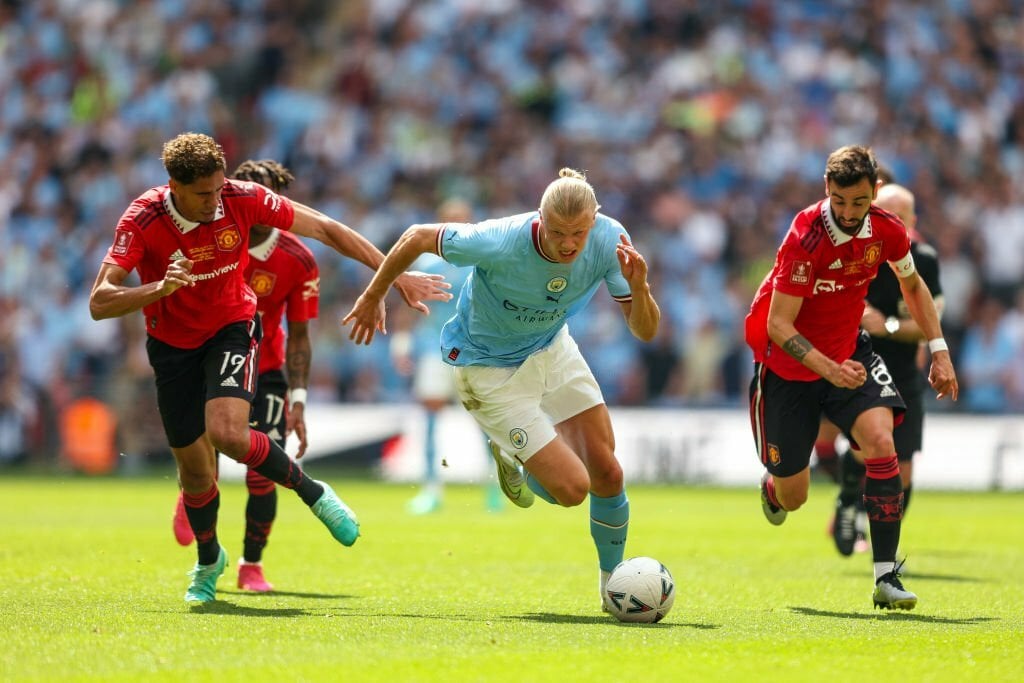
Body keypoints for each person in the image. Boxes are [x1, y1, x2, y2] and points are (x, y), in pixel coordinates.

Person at [89, 133, 449, 604]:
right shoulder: (143, 218)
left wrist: (393, 276)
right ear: (173, 186)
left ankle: (313, 493)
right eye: (203, 194)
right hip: (171, 345)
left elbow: (326, 228)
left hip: (232, 326)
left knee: (229, 433)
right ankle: (208, 559)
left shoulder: (242, 198)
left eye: (219, 189)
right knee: (196, 475)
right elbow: (99, 302)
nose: (216, 202)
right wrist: (157, 288)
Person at [342, 168, 660, 610]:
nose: (569, 244)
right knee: (572, 490)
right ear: (539, 220)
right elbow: (416, 236)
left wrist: (640, 288)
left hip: (551, 348)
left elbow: (645, 331)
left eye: (579, 234)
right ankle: (509, 455)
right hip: (487, 369)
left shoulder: (611, 240)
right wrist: (374, 294)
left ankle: (614, 589)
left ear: (595, 222)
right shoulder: (500, 238)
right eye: (558, 233)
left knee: (608, 473)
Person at [745, 145, 958, 610]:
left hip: (849, 354)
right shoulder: (804, 237)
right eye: (839, 201)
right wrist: (828, 369)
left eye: (859, 203)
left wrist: (939, 350)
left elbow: (914, 285)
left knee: (882, 443)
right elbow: (779, 326)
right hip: (789, 371)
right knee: (794, 496)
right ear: (827, 190)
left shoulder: (886, 229)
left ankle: (886, 576)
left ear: (874, 194)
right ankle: (773, 487)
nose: (847, 212)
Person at [170, 159, 323, 592]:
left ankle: (250, 565)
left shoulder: (298, 258)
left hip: (268, 368)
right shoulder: (211, 235)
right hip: (210, 357)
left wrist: (298, 400)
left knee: (262, 473)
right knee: (206, 459)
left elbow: (299, 336)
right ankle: (195, 504)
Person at [829, 182, 945, 558]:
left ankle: (874, 531)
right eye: (887, 213)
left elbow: (931, 320)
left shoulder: (924, 260)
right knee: (870, 448)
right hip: (861, 365)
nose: (893, 221)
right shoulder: (859, 253)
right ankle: (849, 505)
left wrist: (889, 326)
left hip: (905, 372)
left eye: (901, 215)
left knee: (905, 469)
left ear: (913, 220)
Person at [389, 198, 503, 515]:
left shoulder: (483, 262)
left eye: (461, 220)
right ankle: (431, 488)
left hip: (475, 351)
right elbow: (406, 307)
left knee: (485, 422)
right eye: (449, 220)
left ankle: (496, 487)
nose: (455, 226)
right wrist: (401, 345)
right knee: (430, 417)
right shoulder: (426, 263)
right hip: (433, 348)